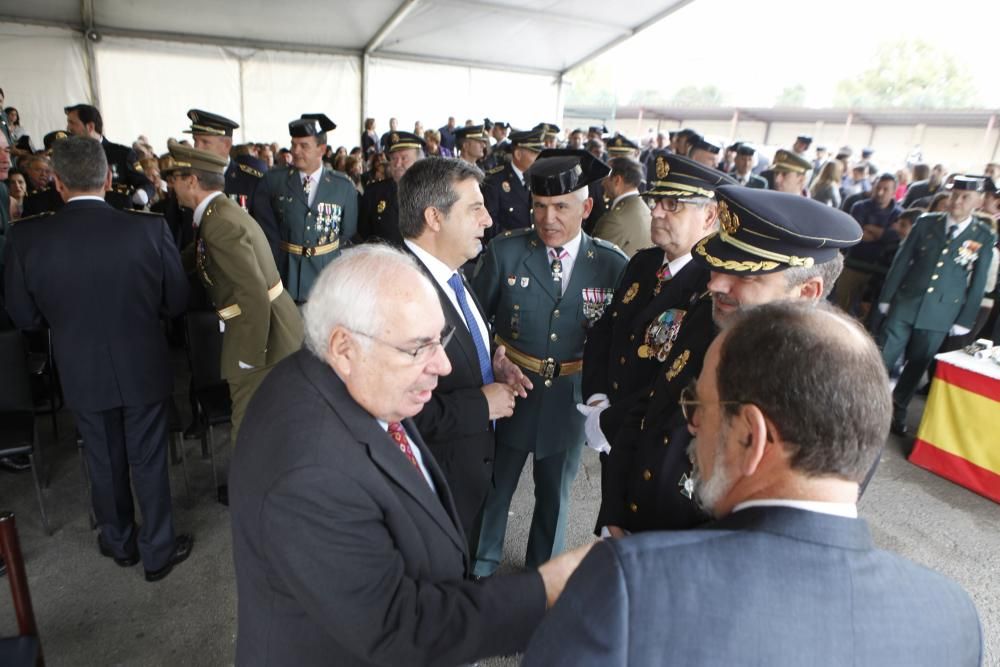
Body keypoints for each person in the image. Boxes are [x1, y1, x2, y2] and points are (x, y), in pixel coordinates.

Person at [523, 301, 982, 667]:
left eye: (698, 406)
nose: (693, 425)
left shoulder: (629, 586)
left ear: (750, 436)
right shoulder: (953, 614)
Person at [229, 245, 590, 666]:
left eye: (441, 340)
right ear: (344, 347)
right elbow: (398, 628)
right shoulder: (310, 474)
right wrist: (544, 591)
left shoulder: (349, 379)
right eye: (418, 348)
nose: (443, 365)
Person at [597, 186, 861, 537]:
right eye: (719, 266)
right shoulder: (710, 320)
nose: (716, 283)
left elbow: (788, 529)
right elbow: (648, 410)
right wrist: (614, 515)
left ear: (807, 292)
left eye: (746, 275)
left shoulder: (837, 392)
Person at [4, 136, 192, 581]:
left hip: (80, 367)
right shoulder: (147, 228)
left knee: (102, 458)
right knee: (148, 457)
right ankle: (157, 551)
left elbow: (24, 316)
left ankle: (118, 541)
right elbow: (177, 300)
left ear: (59, 184)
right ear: (109, 179)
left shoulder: (27, 236)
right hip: (142, 362)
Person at [471, 149, 627, 579]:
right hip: (511, 392)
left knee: (556, 495)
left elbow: (620, 340)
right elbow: (470, 317)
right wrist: (494, 359)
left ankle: (542, 578)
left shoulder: (612, 266)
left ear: (587, 207)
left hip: (569, 401)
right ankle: (479, 570)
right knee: (496, 487)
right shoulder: (506, 253)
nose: (548, 218)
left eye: (561, 206)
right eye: (540, 206)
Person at [398, 156, 532, 544]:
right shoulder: (403, 294)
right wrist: (482, 404)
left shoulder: (451, 274)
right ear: (434, 218)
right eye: (475, 209)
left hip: (462, 480)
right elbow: (396, 414)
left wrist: (489, 366)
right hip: (429, 490)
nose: (488, 220)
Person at [582, 154, 731, 467]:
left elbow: (681, 382)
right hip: (611, 424)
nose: (656, 211)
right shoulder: (644, 263)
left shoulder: (715, 287)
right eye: (655, 200)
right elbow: (605, 328)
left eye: (672, 203)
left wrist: (608, 421)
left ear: (708, 216)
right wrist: (596, 397)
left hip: (656, 446)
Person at [167, 140, 303, 454]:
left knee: (247, 421)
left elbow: (253, 294)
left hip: (260, 334)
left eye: (176, 178)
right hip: (266, 325)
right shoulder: (217, 213)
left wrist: (249, 357)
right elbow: (193, 257)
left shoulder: (219, 223)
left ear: (192, 181)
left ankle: (247, 493)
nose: (171, 185)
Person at [878, 176, 996, 436]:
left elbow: (977, 283)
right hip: (906, 302)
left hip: (942, 312)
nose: (957, 201)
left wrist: (964, 319)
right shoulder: (926, 223)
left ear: (978, 201)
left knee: (918, 363)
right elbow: (902, 261)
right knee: (883, 354)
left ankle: (897, 408)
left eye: (965, 197)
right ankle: (868, 404)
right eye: (955, 195)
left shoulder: (982, 235)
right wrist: (887, 297)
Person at [252, 113, 358, 302]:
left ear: (322, 149)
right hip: (284, 275)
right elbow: (264, 229)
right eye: (294, 144)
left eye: (304, 146)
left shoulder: (343, 186)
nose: (296, 151)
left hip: (325, 278)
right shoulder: (274, 181)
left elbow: (347, 231)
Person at [834, 173, 903, 316]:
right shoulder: (859, 206)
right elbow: (857, 234)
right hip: (853, 266)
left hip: (877, 274)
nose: (880, 192)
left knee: (865, 315)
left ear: (893, 191)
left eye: (885, 189)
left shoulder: (899, 214)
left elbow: (895, 238)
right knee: (840, 308)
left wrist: (872, 230)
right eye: (878, 187)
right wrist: (884, 234)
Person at [64, 103, 153, 208]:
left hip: (118, 217)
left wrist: (141, 195)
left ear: (90, 127)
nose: (68, 128)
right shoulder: (69, 156)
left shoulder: (122, 154)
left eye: (72, 123)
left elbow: (147, 184)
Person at [183, 109, 266, 217]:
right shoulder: (188, 179)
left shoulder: (252, 182)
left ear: (226, 145)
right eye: (195, 141)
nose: (197, 148)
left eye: (205, 142)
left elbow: (262, 231)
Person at [358, 130, 425, 246]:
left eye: (404, 158)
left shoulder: (434, 192)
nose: (398, 164)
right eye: (393, 159)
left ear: (419, 161)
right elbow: (363, 236)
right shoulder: (373, 193)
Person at [482, 128, 544, 240]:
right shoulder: (495, 181)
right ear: (518, 154)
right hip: (507, 249)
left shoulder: (539, 180)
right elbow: (488, 225)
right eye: (535, 153)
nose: (539, 159)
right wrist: (517, 241)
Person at [591, 155, 651, 257]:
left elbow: (595, 261)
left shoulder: (614, 220)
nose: (602, 183)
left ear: (617, 180)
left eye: (605, 178)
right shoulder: (645, 209)